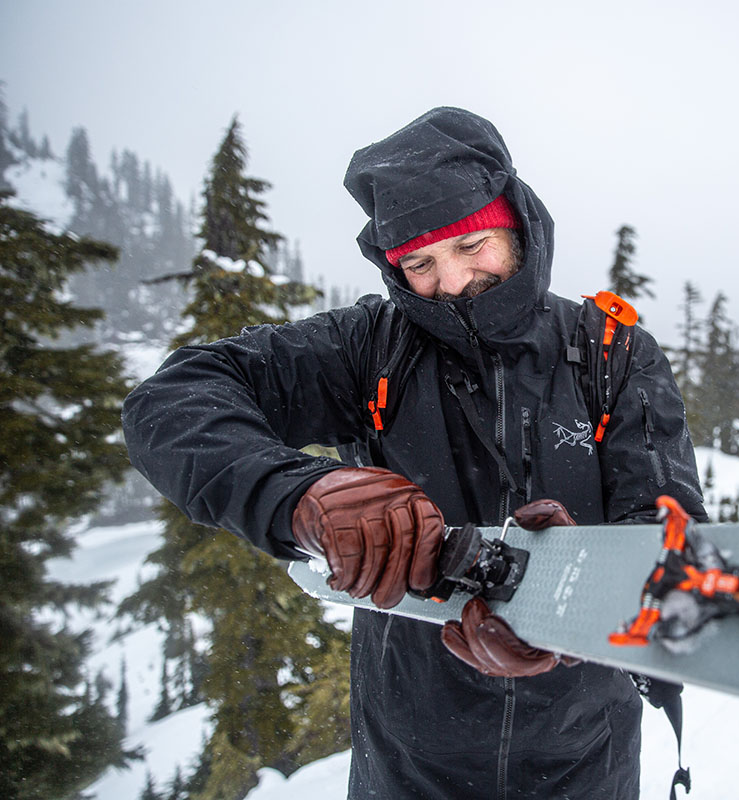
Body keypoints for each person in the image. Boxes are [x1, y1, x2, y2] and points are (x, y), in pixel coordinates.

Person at [123, 106, 707, 798]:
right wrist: (299, 496)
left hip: (586, 760)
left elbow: (668, 527)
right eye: (422, 263)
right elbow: (173, 399)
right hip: (408, 765)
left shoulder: (611, 353)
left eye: (472, 245)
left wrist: (570, 612)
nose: (453, 282)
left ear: (515, 223)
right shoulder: (369, 349)